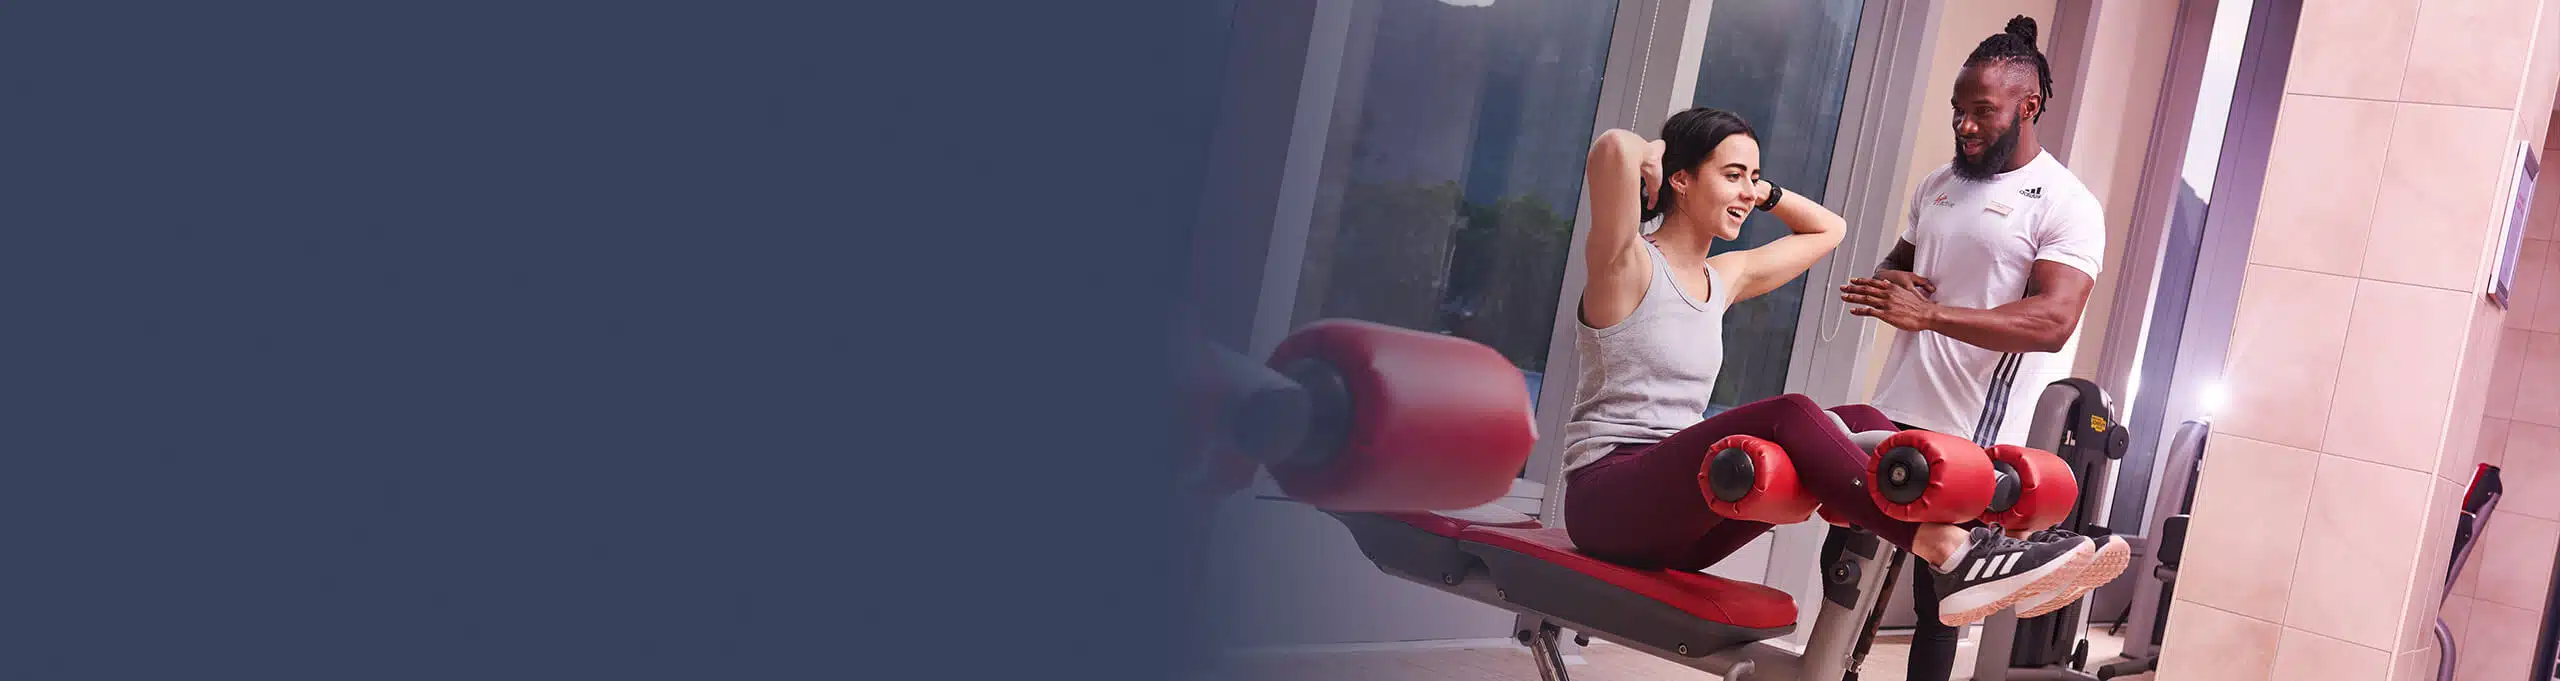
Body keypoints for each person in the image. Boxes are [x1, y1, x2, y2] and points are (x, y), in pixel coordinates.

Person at [1559, 105, 2096, 630]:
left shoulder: (1721, 278)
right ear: (1679, 179)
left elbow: (1828, 230)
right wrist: (1653, 153)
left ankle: (1986, 538)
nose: (1748, 192)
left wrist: (1762, 191)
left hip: (1685, 527)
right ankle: (1951, 552)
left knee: (1858, 419)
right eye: (1732, 176)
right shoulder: (1626, 265)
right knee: (1788, 413)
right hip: (1609, 501)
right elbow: (1612, 148)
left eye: (1754, 178)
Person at [1838, 17, 2131, 681]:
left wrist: (1931, 315)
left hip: (1973, 427)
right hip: (1896, 406)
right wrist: (1891, 281)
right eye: (1957, 112)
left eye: (1982, 112)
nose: (1965, 126)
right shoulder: (1939, 184)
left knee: (1941, 601)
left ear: (2028, 106)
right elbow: (1899, 265)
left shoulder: (2065, 202)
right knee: (1848, 569)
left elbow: (2053, 320)